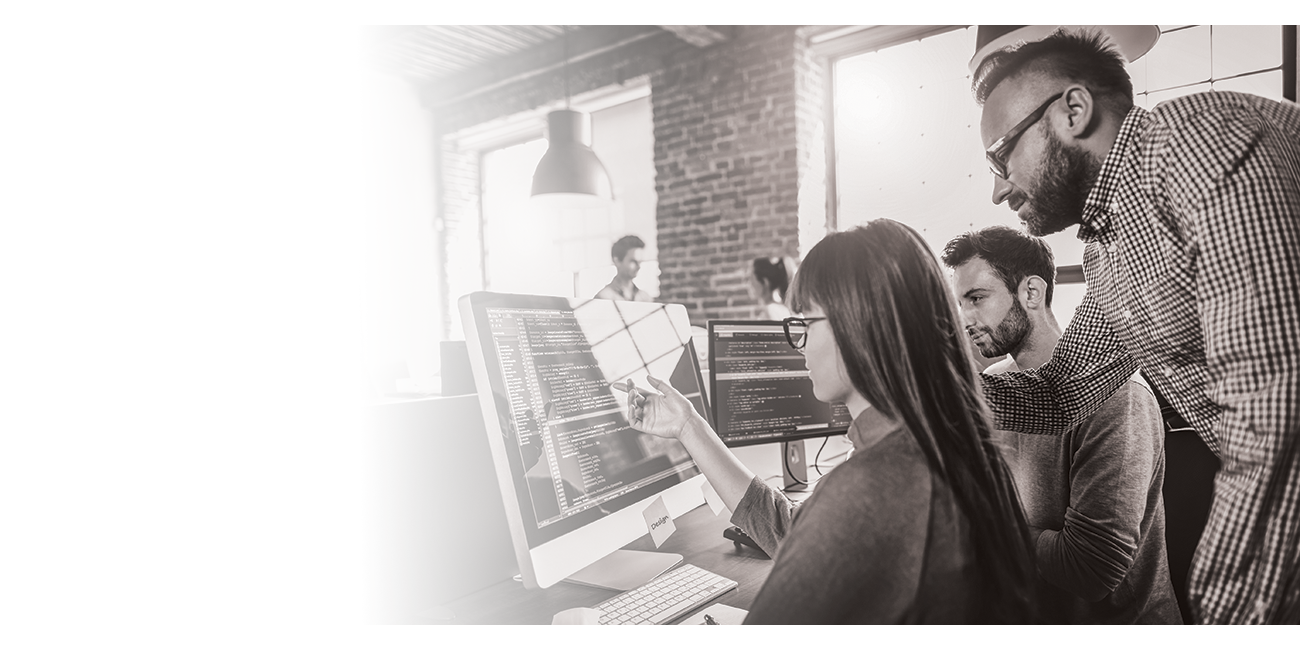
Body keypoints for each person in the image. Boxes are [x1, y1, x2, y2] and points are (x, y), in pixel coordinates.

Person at [971, 28, 1300, 624]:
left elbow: (1278, 424)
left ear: (1072, 110)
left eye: (1001, 154)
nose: (997, 189)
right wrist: (926, 381)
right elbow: (1066, 392)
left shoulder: (1206, 145)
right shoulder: (1108, 245)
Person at [617, 219, 1037, 623]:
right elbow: (798, 535)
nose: (798, 344)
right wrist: (689, 425)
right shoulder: (955, 445)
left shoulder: (872, 485)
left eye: (804, 323)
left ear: (860, 326)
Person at [943, 225, 1180, 624]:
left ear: (1031, 293)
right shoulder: (998, 387)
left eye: (977, 299)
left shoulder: (1117, 397)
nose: (965, 319)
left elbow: (1089, 569)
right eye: (960, 303)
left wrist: (983, 527)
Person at [595, 235, 653, 302]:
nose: (639, 266)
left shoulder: (645, 298)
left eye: (640, 262)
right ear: (617, 261)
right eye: (633, 261)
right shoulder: (603, 298)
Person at [748, 256, 796, 320]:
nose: (749, 284)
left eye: (752, 279)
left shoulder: (770, 310)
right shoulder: (780, 309)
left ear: (765, 282)